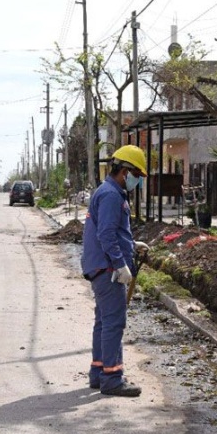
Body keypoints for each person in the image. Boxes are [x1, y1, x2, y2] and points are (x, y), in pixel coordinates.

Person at [81, 145, 150, 397]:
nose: (137, 182)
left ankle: (99, 372)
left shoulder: (108, 191)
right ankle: (112, 378)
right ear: (125, 171)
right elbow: (107, 234)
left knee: (103, 321)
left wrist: (131, 245)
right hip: (107, 267)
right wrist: (120, 263)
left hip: (99, 265)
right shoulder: (111, 195)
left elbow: (109, 231)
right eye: (137, 176)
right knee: (114, 322)